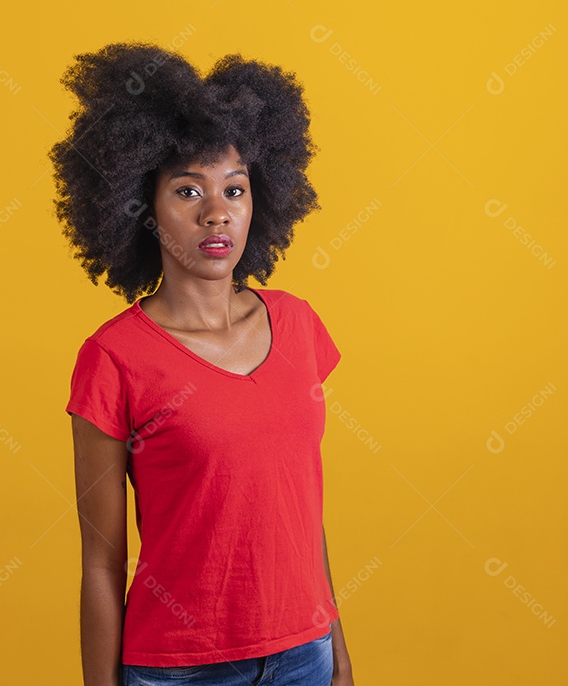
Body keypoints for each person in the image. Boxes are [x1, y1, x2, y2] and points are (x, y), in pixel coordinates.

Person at [49, 42, 355, 686]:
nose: (216, 212)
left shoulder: (298, 326)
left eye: (234, 189)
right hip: (180, 670)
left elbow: (302, 516)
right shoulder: (113, 360)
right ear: (140, 204)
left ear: (258, 201)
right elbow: (102, 566)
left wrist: (337, 651)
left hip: (306, 657)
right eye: (188, 190)